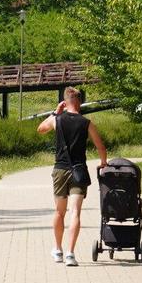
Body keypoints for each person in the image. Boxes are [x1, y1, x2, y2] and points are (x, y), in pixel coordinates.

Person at [37, 87, 107, 266]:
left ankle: (58, 250)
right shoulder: (86, 123)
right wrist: (103, 162)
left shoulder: (57, 119)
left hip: (60, 170)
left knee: (60, 212)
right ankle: (70, 254)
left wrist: (55, 112)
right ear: (80, 102)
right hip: (79, 171)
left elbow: (40, 129)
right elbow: (100, 146)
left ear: (65, 101)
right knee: (75, 212)